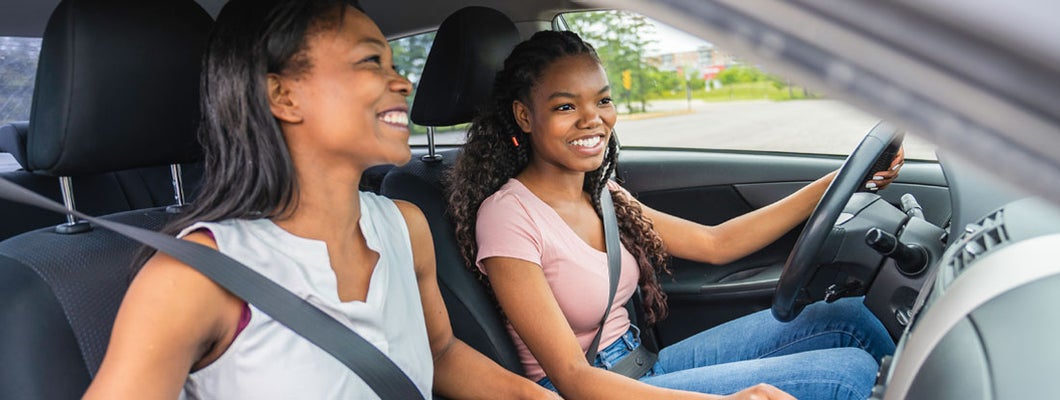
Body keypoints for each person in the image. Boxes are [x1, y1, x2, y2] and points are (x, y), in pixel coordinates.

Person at [83, 1, 559, 399]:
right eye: (371, 61)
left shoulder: (405, 226)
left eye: (392, 64)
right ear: (283, 95)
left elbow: (440, 354)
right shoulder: (194, 276)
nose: (403, 82)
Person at [448, 30, 901, 400]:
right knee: (848, 374)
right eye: (566, 106)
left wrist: (841, 180)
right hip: (592, 389)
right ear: (525, 117)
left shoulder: (601, 191)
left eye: (602, 101)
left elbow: (716, 244)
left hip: (640, 364)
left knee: (847, 318)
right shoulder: (507, 216)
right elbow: (572, 378)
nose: (592, 119)